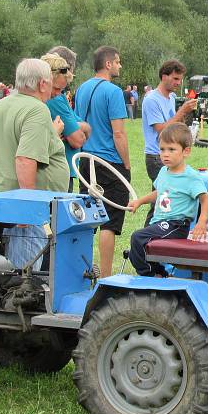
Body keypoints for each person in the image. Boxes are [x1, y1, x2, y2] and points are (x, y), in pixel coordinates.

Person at [0, 58, 69, 270]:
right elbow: (24, 158)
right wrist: (27, 207)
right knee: (22, 279)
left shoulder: (0, 106)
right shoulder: (37, 110)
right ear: (42, 83)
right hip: (22, 211)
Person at [74, 46, 131, 278]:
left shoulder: (81, 89)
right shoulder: (113, 91)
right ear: (108, 64)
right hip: (109, 163)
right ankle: (106, 277)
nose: (119, 66)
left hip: (86, 161)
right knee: (109, 223)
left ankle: (83, 271)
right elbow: (119, 133)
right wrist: (126, 164)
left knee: (86, 219)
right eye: (117, 62)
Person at [127, 123, 208, 277]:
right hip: (159, 223)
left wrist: (201, 222)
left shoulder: (190, 177)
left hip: (176, 224)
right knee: (137, 246)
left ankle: (151, 276)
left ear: (186, 151)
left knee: (138, 237)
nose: (165, 154)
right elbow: (158, 193)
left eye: (171, 149)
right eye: (162, 149)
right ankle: (160, 273)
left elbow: (206, 200)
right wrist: (139, 201)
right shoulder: (163, 171)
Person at [141, 59, 198, 223]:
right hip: (157, 156)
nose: (178, 83)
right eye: (175, 79)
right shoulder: (152, 100)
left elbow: (174, 127)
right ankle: (147, 240)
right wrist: (182, 111)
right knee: (161, 201)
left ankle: (154, 240)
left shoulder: (171, 97)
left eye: (180, 79)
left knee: (165, 200)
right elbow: (162, 131)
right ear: (163, 76)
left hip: (171, 154)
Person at [42, 52, 90, 192]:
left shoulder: (59, 97)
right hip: (54, 173)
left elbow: (85, 130)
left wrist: (78, 126)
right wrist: (79, 126)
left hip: (63, 169)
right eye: (56, 88)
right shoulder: (54, 101)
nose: (58, 93)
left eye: (62, 90)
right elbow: (77, 140)